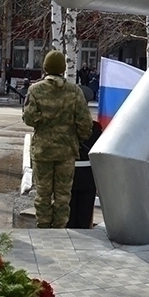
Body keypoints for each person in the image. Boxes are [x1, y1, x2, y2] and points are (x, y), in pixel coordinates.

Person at [22, 50, 93, 228]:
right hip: (66, 151)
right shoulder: (74, 91)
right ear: (63, 69)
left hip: (42, 151)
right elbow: (85, 122)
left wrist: (43, 120)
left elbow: (29, 118)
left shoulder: (35, 90)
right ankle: (60, 229)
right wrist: (79, 138)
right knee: (63, 195)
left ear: (45, 67)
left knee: (43, 193)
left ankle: (43, 227)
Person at [67, 87, 103, 229]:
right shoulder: (96, 128)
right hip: (88, 175)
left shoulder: (64, 126)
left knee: (68, 216)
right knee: (85, 215)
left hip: (67, 173)